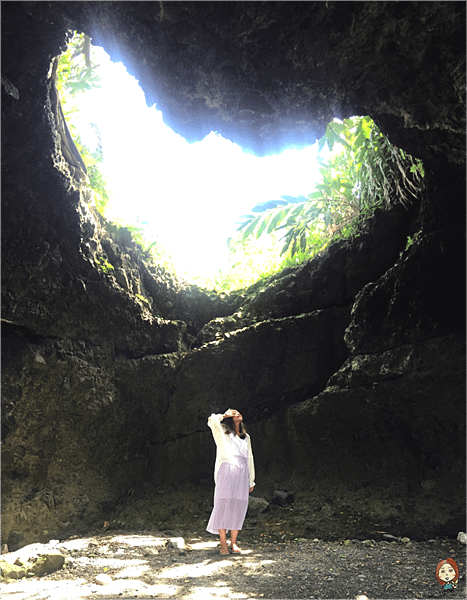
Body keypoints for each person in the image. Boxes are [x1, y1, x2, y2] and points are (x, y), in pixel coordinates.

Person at [206, 408, 255, 555]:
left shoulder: (246, 437)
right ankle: (223, 544)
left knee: (239, 505)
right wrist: (224, 415)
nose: (237, 413)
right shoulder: (222, 432)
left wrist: (251, 480)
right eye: (234, 413)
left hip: (242, 473)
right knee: (223, 503)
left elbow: (250, 459)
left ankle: (233, 543)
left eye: (239, 412)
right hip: (226, 470)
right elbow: (211, 420)